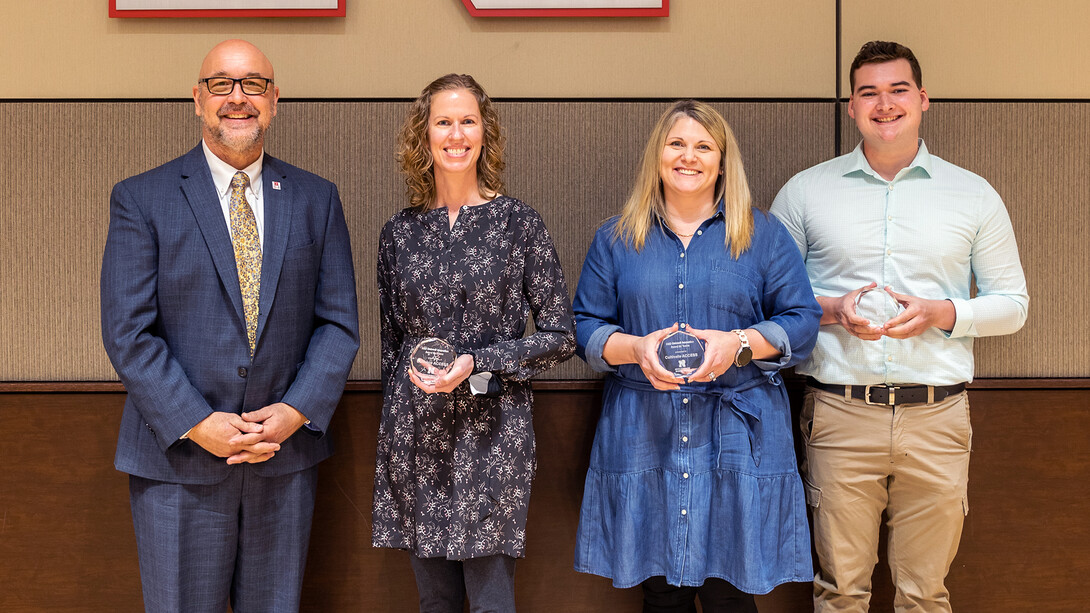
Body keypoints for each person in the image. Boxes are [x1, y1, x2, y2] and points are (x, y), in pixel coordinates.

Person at [100, 39, 360, 612]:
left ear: (274, 100)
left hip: (283, 462)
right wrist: (196, 422)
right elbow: (128, 332)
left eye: (253, 85)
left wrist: (295, 412)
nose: (236, 98)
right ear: (198, 98)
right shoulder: (142, 199)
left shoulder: (316, 199)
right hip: (178, 464)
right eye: (221, 83)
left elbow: (338, 324)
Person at [771, 41, 1029, 612]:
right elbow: (770, 300)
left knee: (924, 595)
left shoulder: (974, 194)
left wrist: (943, 314)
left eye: (898, 90)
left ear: (923, 99)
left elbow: (1013, 304)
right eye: (869, 92)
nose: (884, 104)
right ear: (851, 106)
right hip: (840, 414)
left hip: (939, 418)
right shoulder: (804, 192)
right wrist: (835, 310)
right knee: (839, 593)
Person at [572, 99, 821, 612]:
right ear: (657, 156)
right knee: (661, 594)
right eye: (677, 144)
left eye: (704, 146)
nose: (689, 157)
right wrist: (637, 349)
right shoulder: (616, 239)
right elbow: (586, 329)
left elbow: (803, 320)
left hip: (734, 438)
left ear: (723, 161)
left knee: (730, 592)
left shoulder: (763, 235)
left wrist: (739, 345)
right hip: (645, 433)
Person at [371, 73, 576, 612]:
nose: (456, 134)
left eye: (468, 121)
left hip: (494, 438)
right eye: (443, 121)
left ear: (486, 133)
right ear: (424, 134)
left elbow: (561, 338)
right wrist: (394, 430)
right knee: (434, 603)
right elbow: (392, 349)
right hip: (417, 437)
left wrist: (478, 361)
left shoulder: (518, 224)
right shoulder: (399, 233)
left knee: (490, 602)